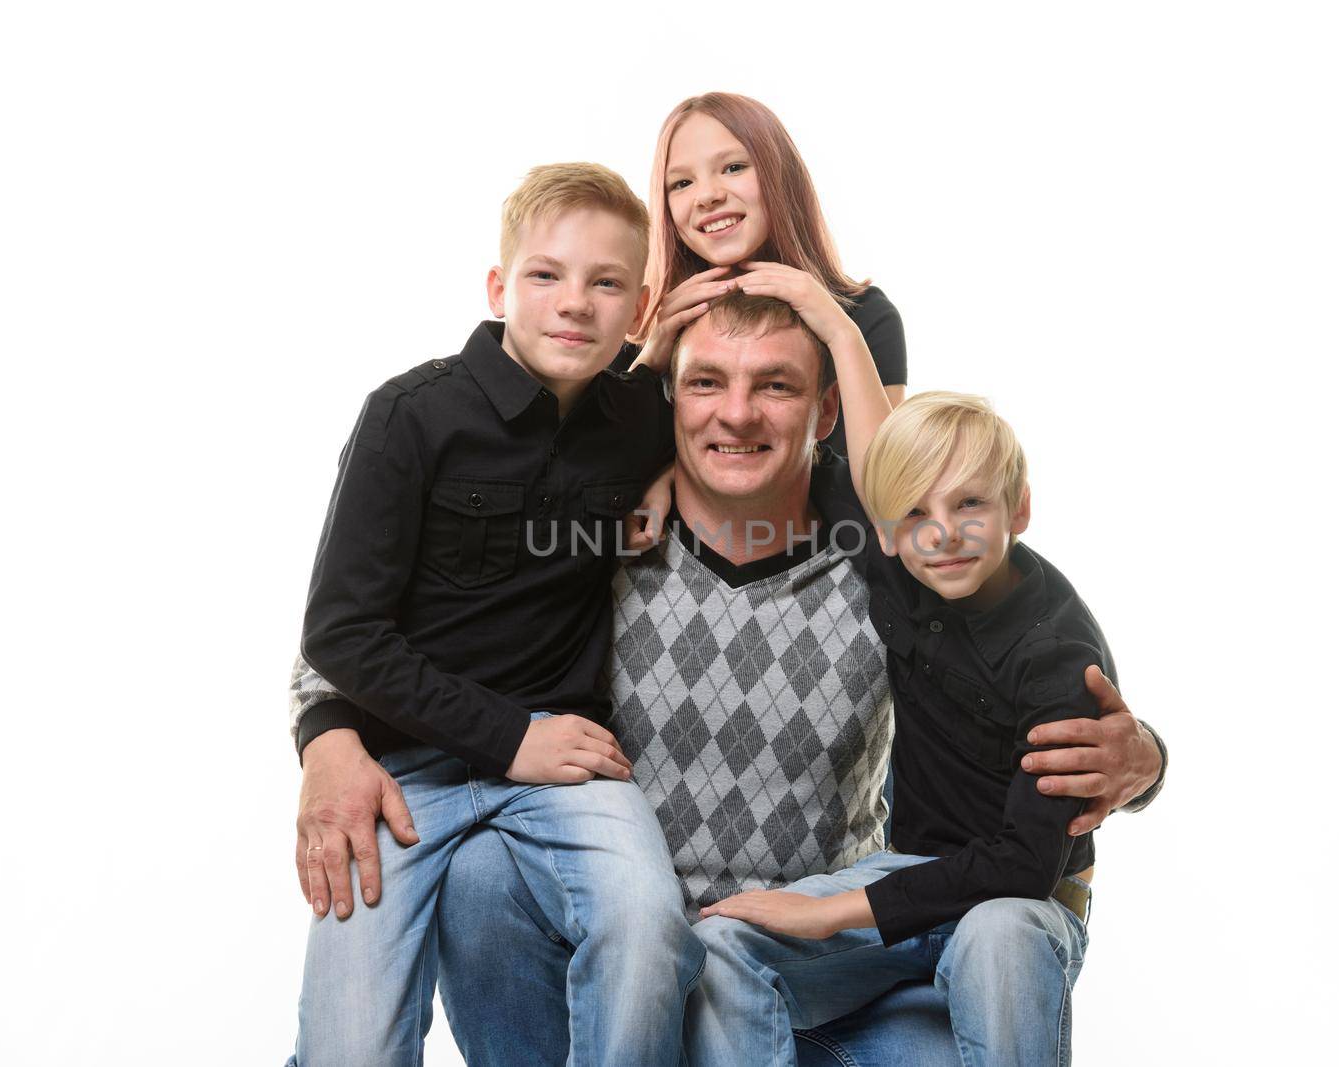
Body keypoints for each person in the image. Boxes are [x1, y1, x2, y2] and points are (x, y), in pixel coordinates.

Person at [400, 291, 1169, 1064]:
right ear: (665, 402)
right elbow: (407, 621)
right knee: (478, 871)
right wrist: (327, 734)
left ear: (827, 411)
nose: (737, 413)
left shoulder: (893, 567)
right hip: (623, 973)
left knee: (973, 998)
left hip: (828, 974)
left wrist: (1144, 759)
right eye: (705, 382)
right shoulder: (594, 543)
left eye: (775, 385)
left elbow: (1020, 641)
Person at [284, 162, 702, 1067]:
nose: (574, 304)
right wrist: (507, 735)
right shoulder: (410, 415)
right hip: (404, 776)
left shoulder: (642, 418)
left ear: (638, 312)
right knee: (349, 1047)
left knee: (649, 928)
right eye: (546, 275)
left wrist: (668, 472)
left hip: (568, 762)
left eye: (606, 284)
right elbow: (341, 631)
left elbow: (765, 438)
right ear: (497, 286)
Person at [689, 391, 1108, 1065]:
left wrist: (831, 910)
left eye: (970, 503)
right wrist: (830, 319)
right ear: (883, 529)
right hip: (911, 876)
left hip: (1019, 906)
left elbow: (1026, 865)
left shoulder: (1057, 656)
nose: (941, 531)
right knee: (720, 945)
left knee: (998, 935)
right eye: (914, 512)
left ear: (1019, 509)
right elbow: (809, 450)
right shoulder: (903, 565)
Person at [620, 91, 908, 454]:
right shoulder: (643, 323)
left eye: (733, 168)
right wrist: (651, 356)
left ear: (780, 175)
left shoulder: (864, 317)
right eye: (681, 183)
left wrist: (840, 334)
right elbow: (598, 473)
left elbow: (892, 490)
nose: (706, 196)